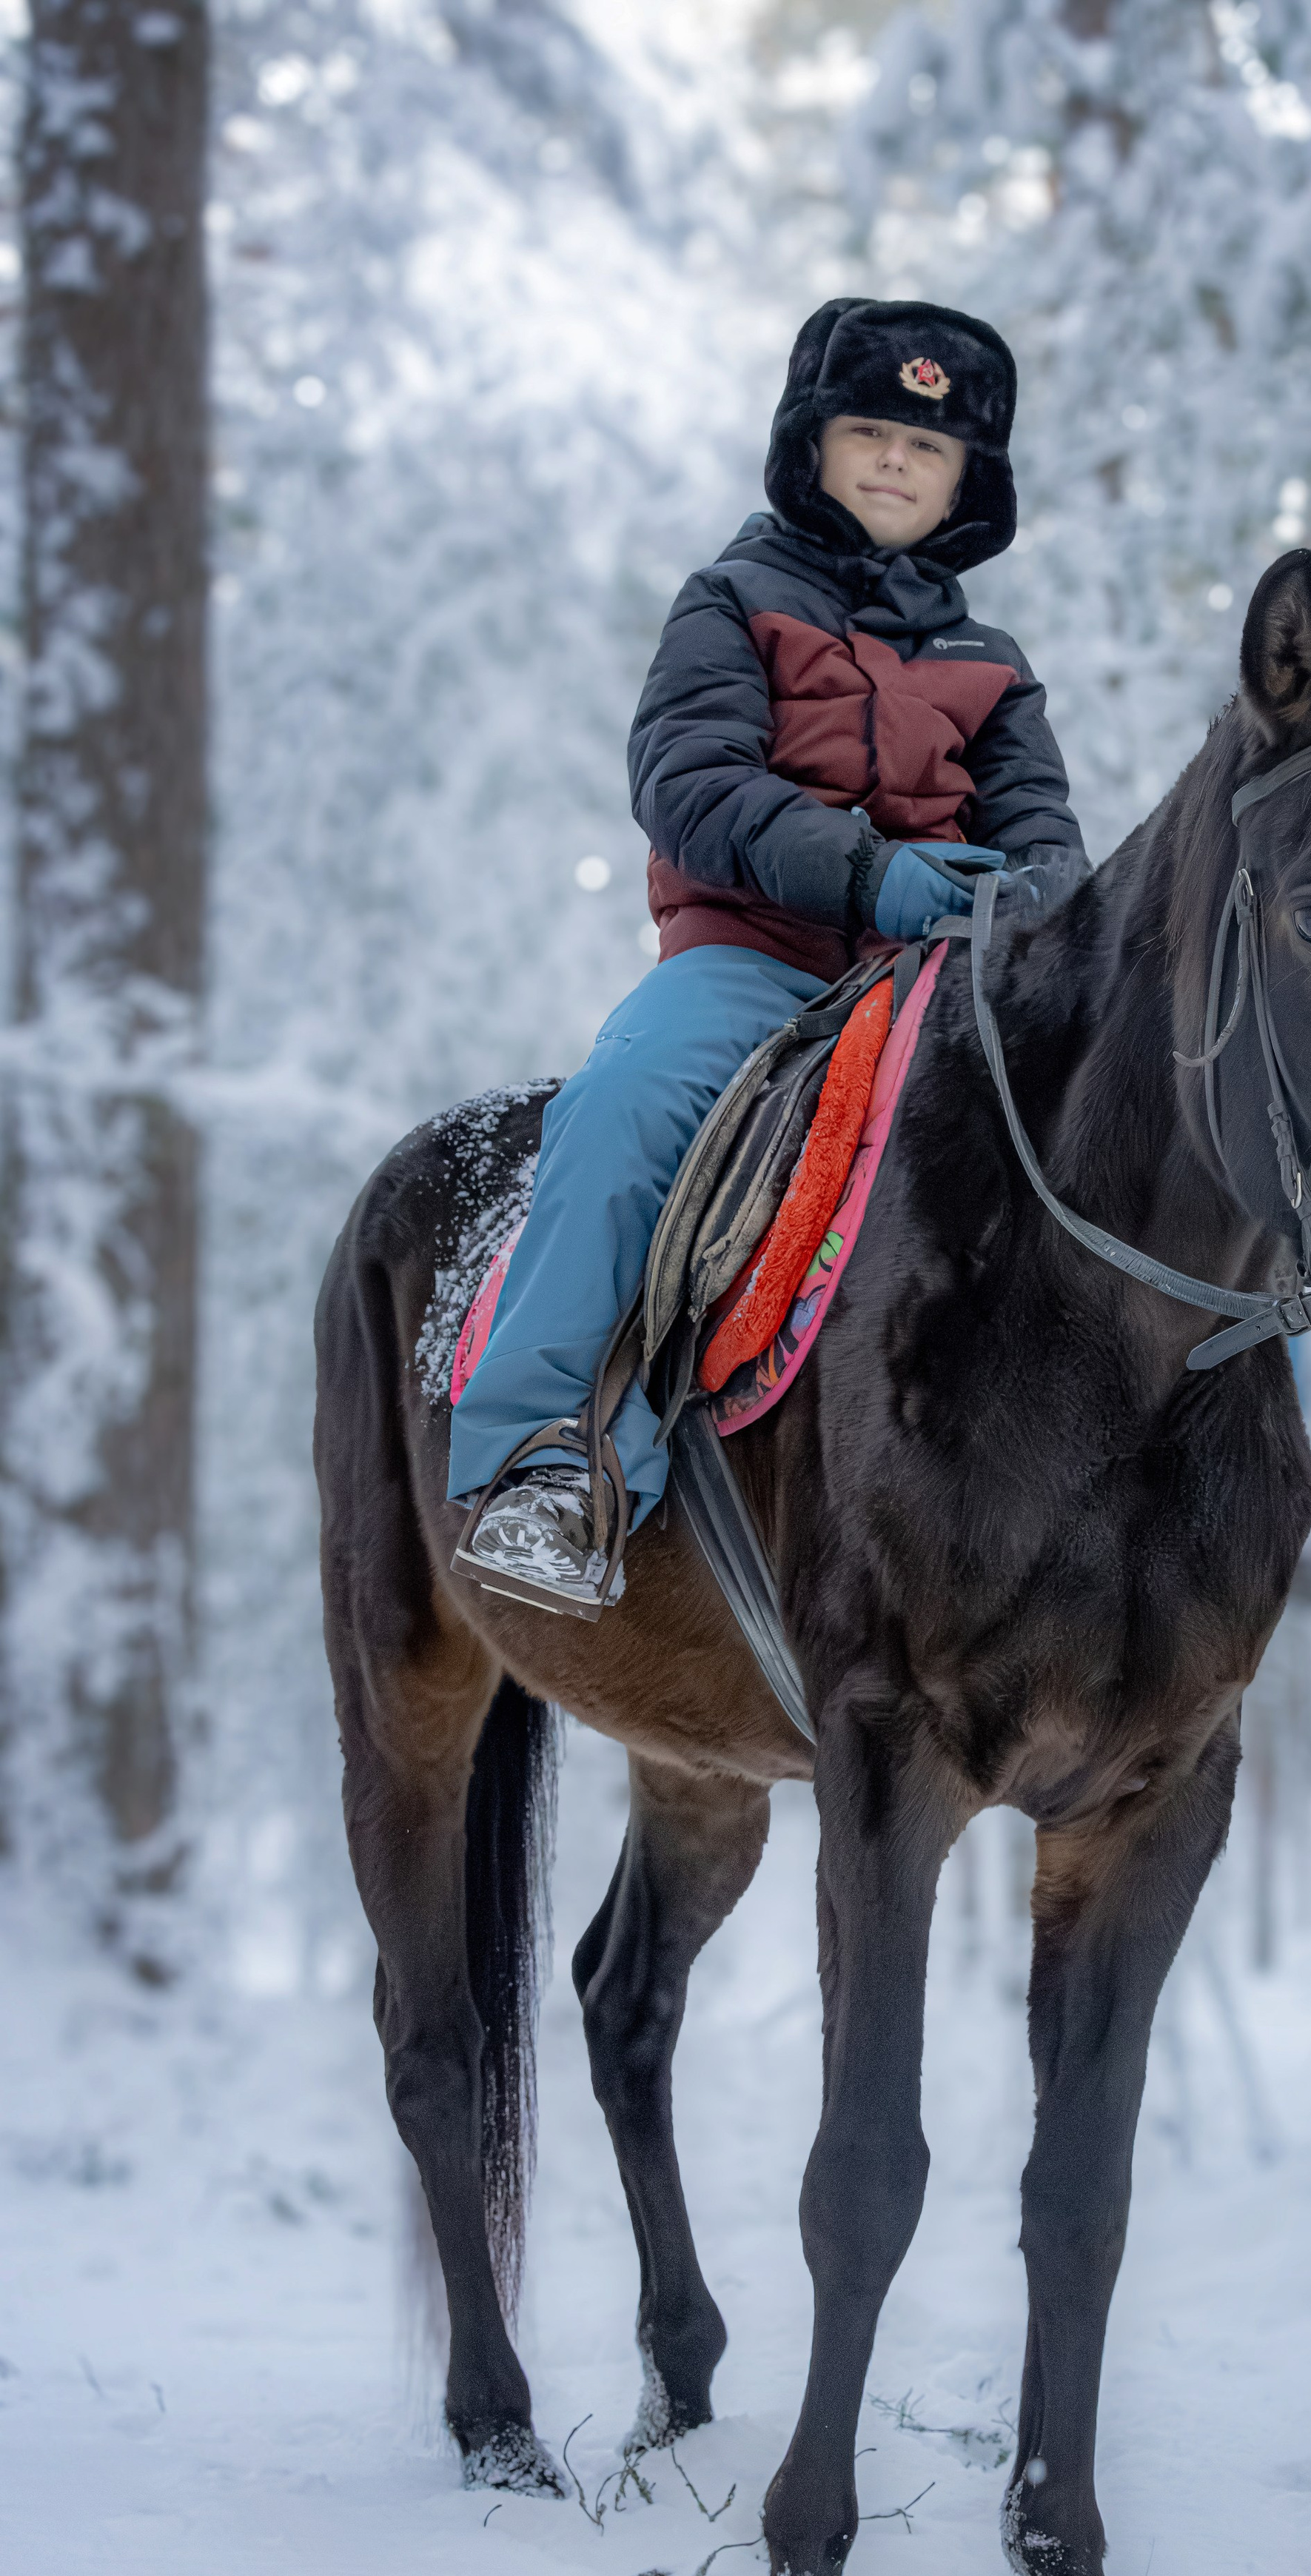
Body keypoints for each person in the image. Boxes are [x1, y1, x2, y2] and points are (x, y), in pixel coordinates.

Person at [450, 296, 1089, 1614]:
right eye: (870, 432)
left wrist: (1028, 899)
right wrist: (869, 873)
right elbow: (687, 780)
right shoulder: (733, 601)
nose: (899, 462)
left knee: (1126, 1117)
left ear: (971, 481)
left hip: (939, 993)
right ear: (813, 447)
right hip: (758, 962)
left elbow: (1044, 832)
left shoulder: (995, 665)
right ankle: (550, 1462)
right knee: (624, 1108)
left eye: (932, 446)